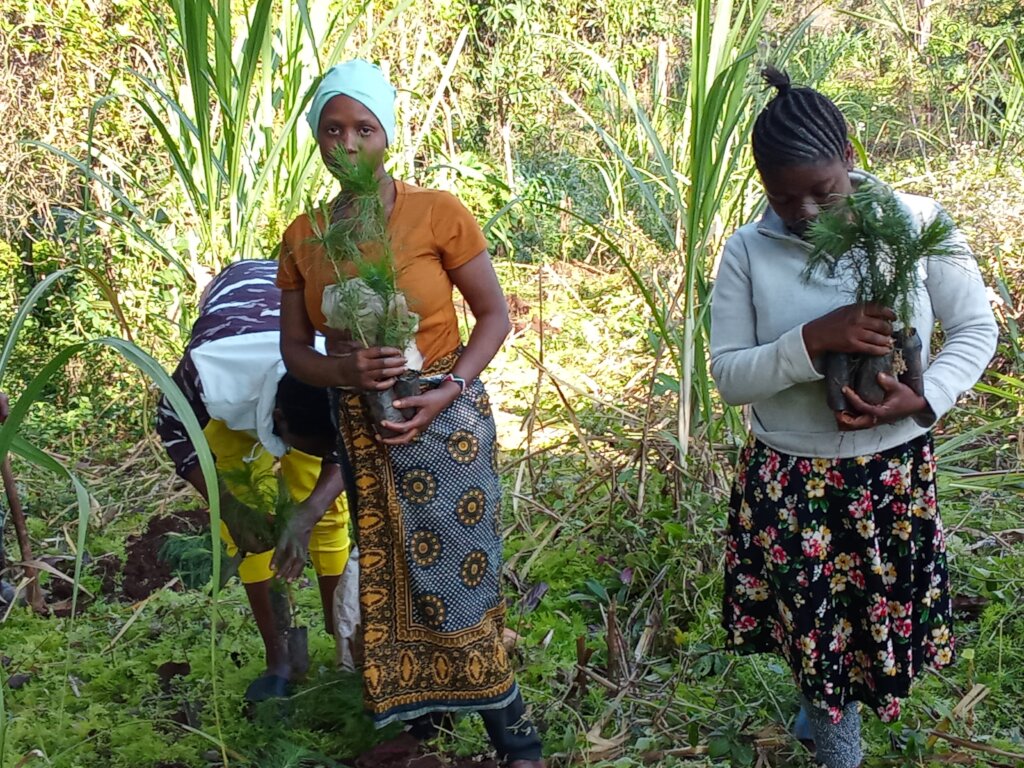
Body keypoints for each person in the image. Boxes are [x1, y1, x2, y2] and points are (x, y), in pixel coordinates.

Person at [710, 67, 998, 768]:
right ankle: (837, 744)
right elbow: (728, 376)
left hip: (888, 475)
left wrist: (926, 398)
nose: (805, 210)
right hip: (793, 479)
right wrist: (812, 341)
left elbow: (975, 329)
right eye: (784, 196)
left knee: (867, 617)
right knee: (813, 623)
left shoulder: (917, 225)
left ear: (850, 155)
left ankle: (827, 704)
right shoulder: (748, 251)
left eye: (823, 190)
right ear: (761, 182)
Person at [273, 59, 545, 768]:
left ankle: (513, 734)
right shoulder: (304, 236)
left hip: (444, 420)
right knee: (390, 579)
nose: (348, 143)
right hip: (361, 423)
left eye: (364, 127)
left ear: (387, 135)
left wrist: (450, 386)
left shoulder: (437, 212)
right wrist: (343, 370)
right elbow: (297, 352)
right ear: (317, 140)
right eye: (332, 129)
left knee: (457, 577)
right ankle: (419, 722)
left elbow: (493, 317)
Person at [156, 259, 350, 702]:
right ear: (279, 420)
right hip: (236, 353)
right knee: (246, 516)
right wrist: (229, 506)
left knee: (326, 512)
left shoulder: (339, 365)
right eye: (309, 446)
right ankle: (277, 658)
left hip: (296, 347)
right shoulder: (207, 374)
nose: (322, 455)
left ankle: (344, 648)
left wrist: (312, 508)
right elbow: (173, 430)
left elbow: (348, 449)